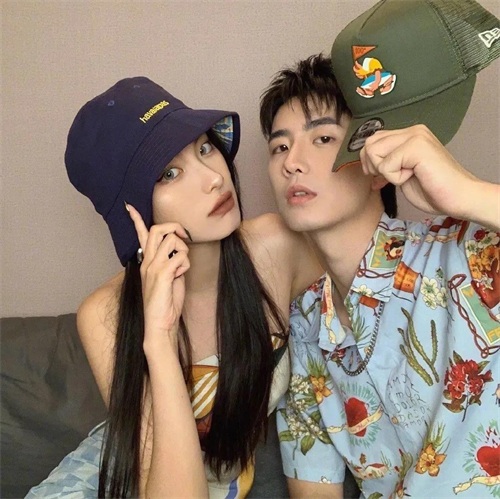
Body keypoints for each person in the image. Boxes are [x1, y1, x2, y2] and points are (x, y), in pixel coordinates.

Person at [27, 76, 323, 498]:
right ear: (132, 214)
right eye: (170, 173)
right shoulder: (105, 314)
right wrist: (159, 339)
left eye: (204, 148)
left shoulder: (275, 246)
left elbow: (370, 268)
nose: (213, 178)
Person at [259, 0, 500, 497]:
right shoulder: (305, 326)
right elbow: (313, 486)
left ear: (374, 158)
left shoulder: (464, 252)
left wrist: (466, 192)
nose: (291, 162)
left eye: (322, 139)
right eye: (279, 146)